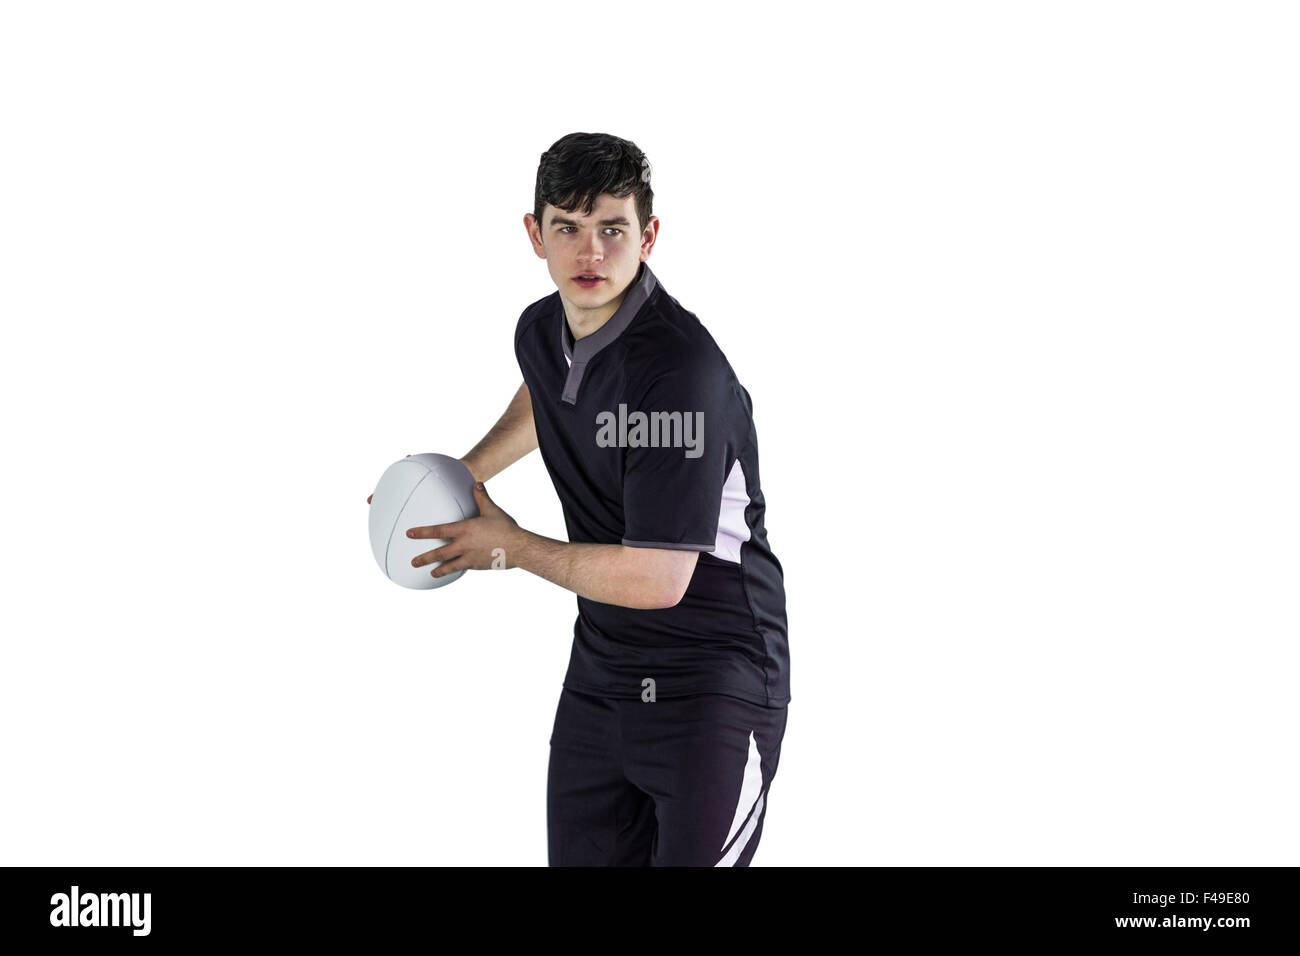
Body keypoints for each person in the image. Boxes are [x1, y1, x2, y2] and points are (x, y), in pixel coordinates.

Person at [372, 132, 790, 866]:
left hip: (712, 685)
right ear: (535, 235)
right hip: (602, 674)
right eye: (567, 227)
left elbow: (658, 581)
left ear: (648, 235)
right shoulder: (541, 329)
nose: (589, 253)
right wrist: (458, 478)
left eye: (612, 229)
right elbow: (551, 391)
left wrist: (510, 546)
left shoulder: (677, 373)